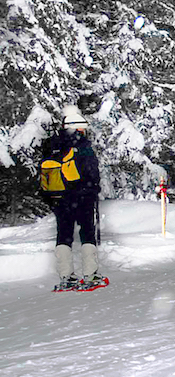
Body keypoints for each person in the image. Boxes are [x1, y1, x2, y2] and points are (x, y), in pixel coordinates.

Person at [44, 105, 103, 290]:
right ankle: (90, 274)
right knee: (87, 233)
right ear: (78, 127)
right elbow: (92, 172)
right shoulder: (83, 146)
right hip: (82, 196)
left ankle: (65, 276)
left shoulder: (53, 144)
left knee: (63, 234)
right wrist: (93, 189)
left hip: (59, 197)